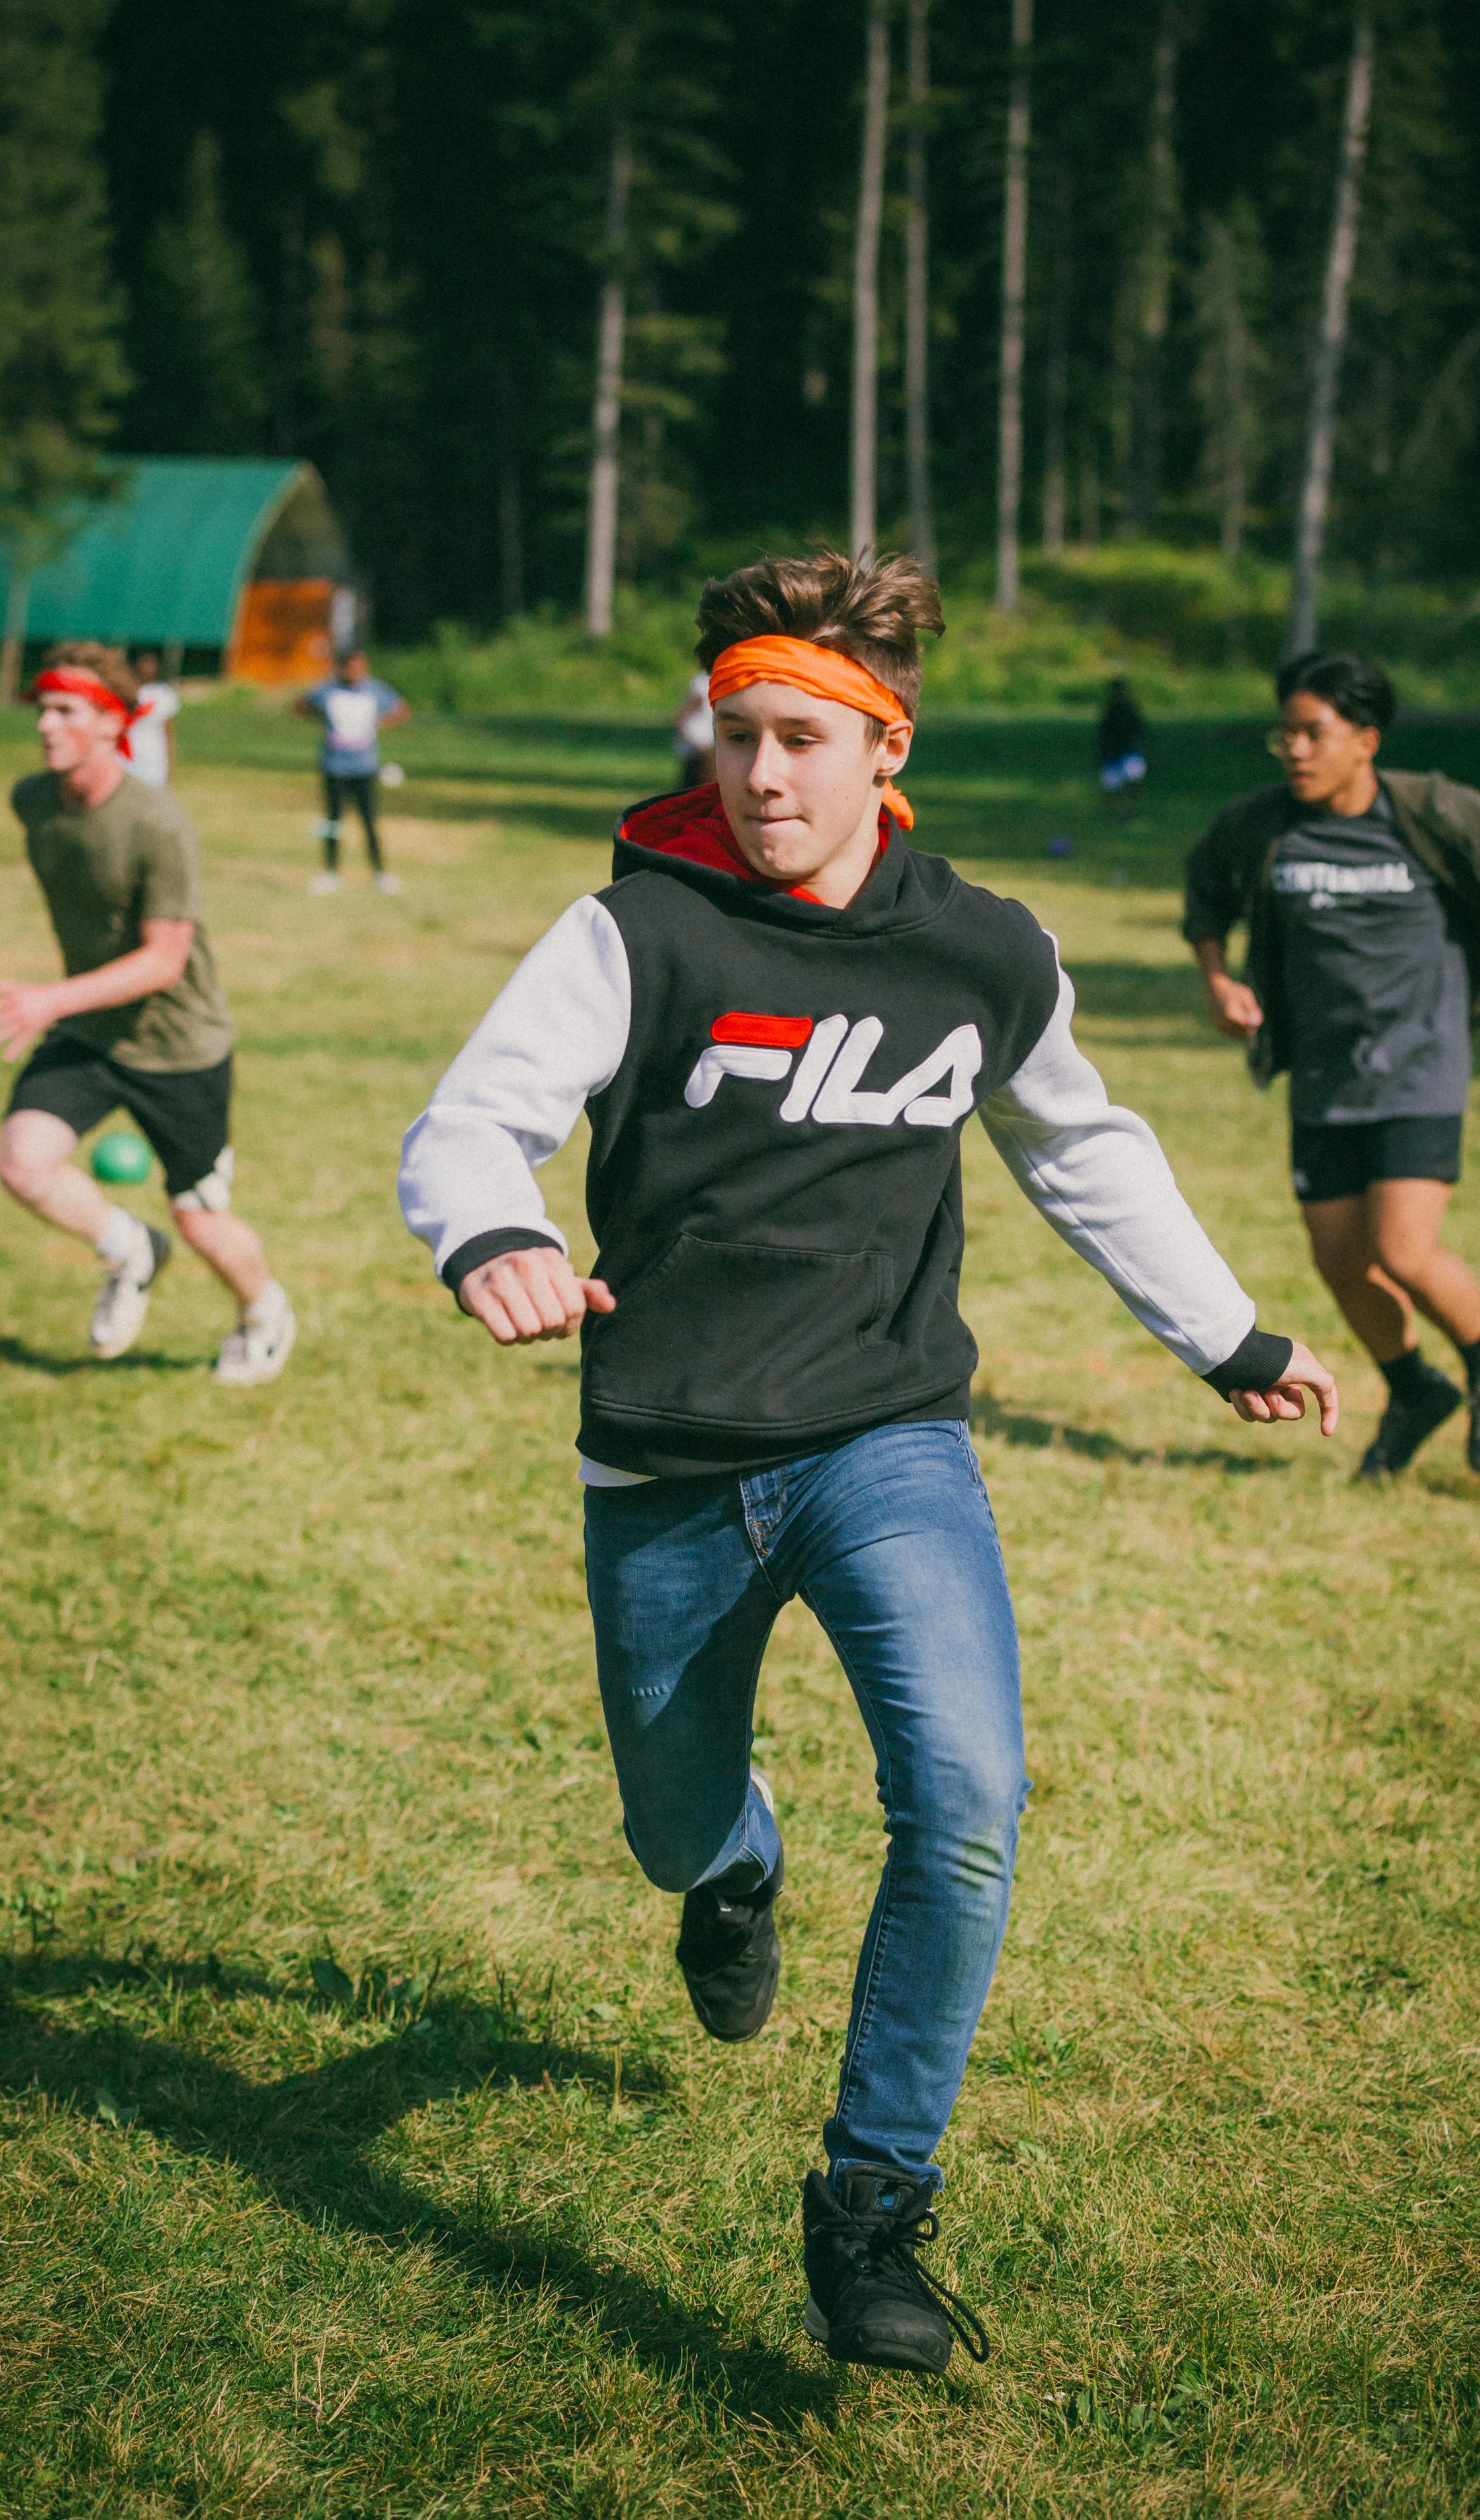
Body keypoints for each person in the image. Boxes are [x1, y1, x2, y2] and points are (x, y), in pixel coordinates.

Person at [400, 550, 1337, 2380]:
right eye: (736, 733)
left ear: (885, 746)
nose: (761, 773)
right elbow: (472, 1118)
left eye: (801, 738)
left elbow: (1082, 1144)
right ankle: (731, 1868)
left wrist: (1226, 1332)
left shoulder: (980, 948)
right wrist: (491, 1232)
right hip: (667, 1455)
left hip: (882, 1433)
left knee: (966, 1794)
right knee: (673, 1820)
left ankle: (872, 2204)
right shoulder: (637, 931)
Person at [1185, 651, 1480, 1482]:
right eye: (1284, 735)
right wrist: (1217, 978)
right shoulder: (1265, 823)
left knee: (1403, 1250)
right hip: (1323, 1076)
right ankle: (1414, 1389)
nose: (1295, 751)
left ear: (1365, 740)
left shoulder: (1432, 815)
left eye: (1313, 734)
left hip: (1420, 1065)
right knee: (1340, 1261)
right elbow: (1205, 884)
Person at [0, 638, 296, 1386]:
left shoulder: (157, 823)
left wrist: (48, 998)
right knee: (22, 1162)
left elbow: (163, 961)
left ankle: (264, 1311)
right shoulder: (33, 802)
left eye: (66, 711)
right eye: (43, 709)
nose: (45, 725)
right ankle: (131, 1248)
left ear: (113, 722)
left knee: (201, 1219)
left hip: (178, 1048)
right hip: (92, 1030)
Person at [296, 646, 409, 896]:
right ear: (342, 668)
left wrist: (379, 724)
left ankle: (380, 873)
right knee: (333, 822)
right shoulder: (327, 691)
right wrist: (320, 719)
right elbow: (301, 706)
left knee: (369, 821)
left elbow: (401, 709)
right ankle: (330, 872)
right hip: (334, 767)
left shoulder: (375, 690)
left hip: (364, 767)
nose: (355, 671)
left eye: (359, 666)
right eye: (350, 666)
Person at [126, 649, 181, 787]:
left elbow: (168, 730)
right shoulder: (128, 690)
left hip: (154, 753)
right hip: (130, 752)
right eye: (144, 663)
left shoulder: (164, 693)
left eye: (151, 663)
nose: (147, 668)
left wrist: (170, 762)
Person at [1097, 675, 1147, 806]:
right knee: (1114, 785)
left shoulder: (1128, 710)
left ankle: (1128, 804)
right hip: (1115, 753)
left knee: (1131, 778)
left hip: (1127, 751)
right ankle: (1121, 806)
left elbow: (1138, 731)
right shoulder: (1112, 711)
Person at [673, 666, 715, 788]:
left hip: (704, 733)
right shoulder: (703, 680)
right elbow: (695, 702)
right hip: (698, 734)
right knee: (703, 768)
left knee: (697, 770)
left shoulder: (710, 679)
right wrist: (681, 719)